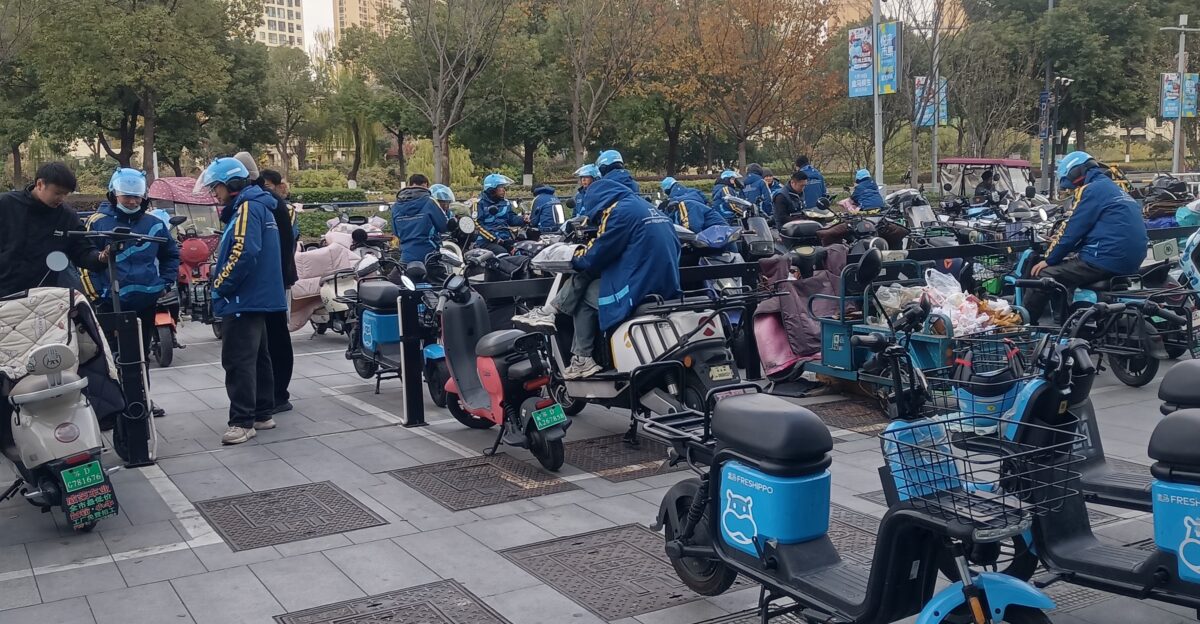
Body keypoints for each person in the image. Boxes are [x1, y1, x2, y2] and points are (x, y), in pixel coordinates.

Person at [514, 166, 681, 378]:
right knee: (591, 278)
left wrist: (571, 256)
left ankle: (582, 358)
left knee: (584, 294)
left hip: (638, 287)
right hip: (666, 283)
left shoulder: (617, 211)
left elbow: (594, 255)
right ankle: (551, 312)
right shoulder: (648, 208)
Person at [199, 157, 286, 445]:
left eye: (217, 187)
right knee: (258, 357)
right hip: (257, 295)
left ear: (232, 184)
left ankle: (242, 421)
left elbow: (243, 251)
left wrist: (221, 283)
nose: (215, 193)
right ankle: (262, 413)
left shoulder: (247, 207)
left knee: (238, 360)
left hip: (242, 296)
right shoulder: (260, 204)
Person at [1023, 151, 1148, 321]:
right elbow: (1101, 229)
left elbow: (1072, 229)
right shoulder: (1114, 190)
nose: (1071, 189)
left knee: (1043, 275)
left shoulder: (1090, 190)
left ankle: (1024, 326)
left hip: (1104, 259)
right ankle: (1066, 319)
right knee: (1069, 266)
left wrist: (1049, 259)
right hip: (1130, 260)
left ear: (1075, 172)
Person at [81, 168, 180, 359]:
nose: (133, 202)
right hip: (110, 302)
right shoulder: (97, 222)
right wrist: (97, 295)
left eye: (137, 197)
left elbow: (171, 254)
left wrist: (165, 283)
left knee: (142, 357)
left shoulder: (155, 224)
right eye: (127, 196)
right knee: (113, 358)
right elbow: (85, 260)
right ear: (113, 194)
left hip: (146, 301)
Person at [0, 162, 109, 297]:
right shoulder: (5, 204)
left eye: (65, 194)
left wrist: (101, 258)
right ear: (40, 184)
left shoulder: (67, 217)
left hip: (44, 296)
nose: (61, 199)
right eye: (57, 193)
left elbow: (82, 251)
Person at [259, 168, 299, 415]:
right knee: (275, 334)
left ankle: (278, 393)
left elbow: (287, 242)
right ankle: (274, 392)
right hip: (277, 277)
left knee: (276, 334)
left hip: (277, 278)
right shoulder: (268, 202)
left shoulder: (274, 205)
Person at [392, 173, 448, 269]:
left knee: (399, 277)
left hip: (406, 257)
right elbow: (443, 226)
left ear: (409, 185)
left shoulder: (395, 206)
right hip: (429, 256)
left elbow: (396, 232)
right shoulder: (430, 202)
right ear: (425, 186)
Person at [473, 173, 524, 252]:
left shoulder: (506, 203)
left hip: (505, 238)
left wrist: (524, 219)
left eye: (504, 187)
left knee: (524, 248)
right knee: (502, 252)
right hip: (487, 241)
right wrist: (495, 239)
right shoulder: (479, 204)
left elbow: (511, 219)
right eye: (500, 187)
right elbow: (477, 225)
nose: (504, 190)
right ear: (491, 189)